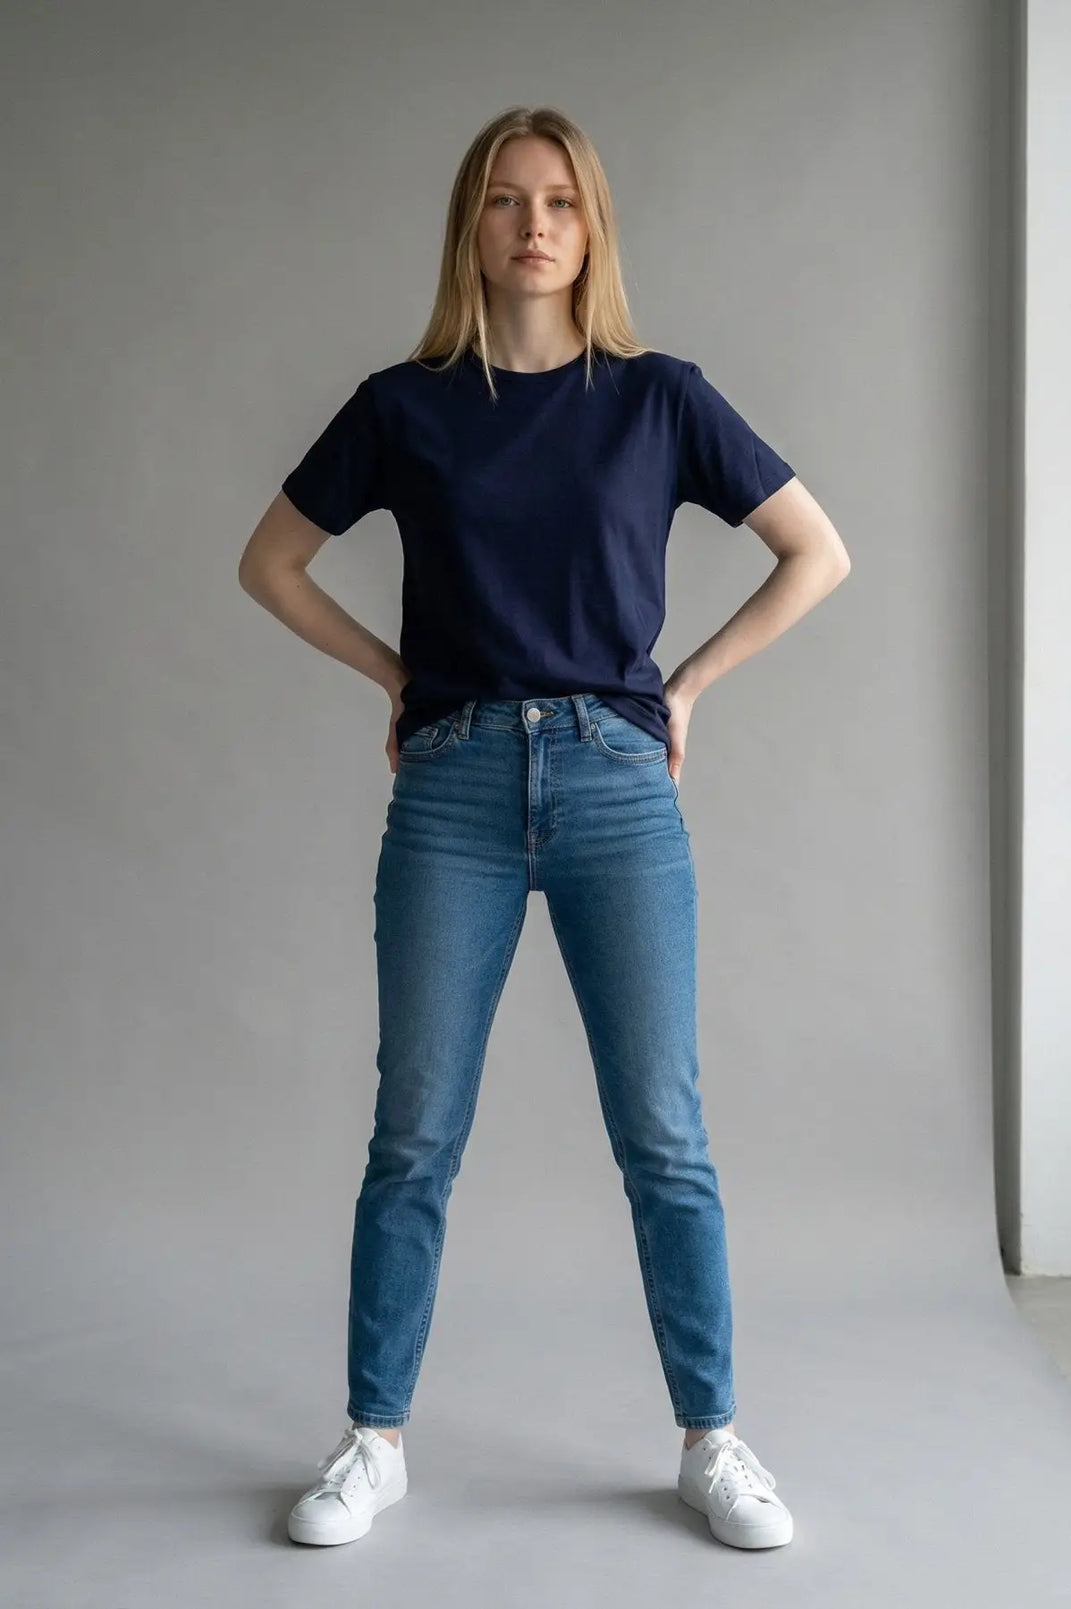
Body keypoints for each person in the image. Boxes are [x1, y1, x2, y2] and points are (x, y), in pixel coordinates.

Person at [239, 104, 850, 1553]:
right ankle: (373, 1438)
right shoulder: (408, 405)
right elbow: (268, 562)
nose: (533, 226)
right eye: (508, 201)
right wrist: (393, 675)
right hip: (449, 783)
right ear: (472, 226)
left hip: (614, 783)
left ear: (593, 228)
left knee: (664, 1129)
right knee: (414, 1131)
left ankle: (712, 1436)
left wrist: (688, 685)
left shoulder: (657, 398)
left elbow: (816, 551)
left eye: (561, 203)